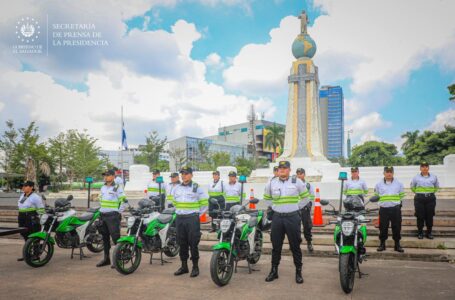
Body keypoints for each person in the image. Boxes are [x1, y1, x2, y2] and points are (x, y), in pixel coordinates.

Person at [263, 161, 310, 284]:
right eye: (280, 168)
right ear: (277, 171)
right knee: (276, 246)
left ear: (289, 170)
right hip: (277, 218)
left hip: (292, 218)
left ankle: (298, 272)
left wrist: (296, 207)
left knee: (295, 246)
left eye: (285, 168)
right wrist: (275, 207)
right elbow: (267, 199)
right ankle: (274, 271)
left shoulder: (297, 182)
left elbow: (306, 198)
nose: (282, 170)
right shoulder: (271, 183)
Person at [172, 166, 208, 278]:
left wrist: (197, 214)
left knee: (193, 243)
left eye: (186, 173)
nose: (184, 176)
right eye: (182, 173)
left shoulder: (197, 187)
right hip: (180, 218)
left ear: (191, 175)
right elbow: (174, 202)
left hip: (192, 219)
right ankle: (184, 266)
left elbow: (204, 204)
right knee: (181, 243)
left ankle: (195, 267)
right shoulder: (177, 188)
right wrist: (180, 212)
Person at [96, 169, 127, 267]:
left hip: (112, 216)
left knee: (115, 238)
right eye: (104, 175)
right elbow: (100, 199)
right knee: (104, 238)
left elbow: (123, 201)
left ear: (113, 176)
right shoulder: (103, 187)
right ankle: (106, 259)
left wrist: (118, 212)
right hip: (103, 215)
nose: (105, 177)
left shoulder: (118, 187)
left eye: (108, 175)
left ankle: (118, 259)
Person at [375, 166, 405, 253]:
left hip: (395, 209)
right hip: (384, 209)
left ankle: (397, 244)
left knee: (397, 227)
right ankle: (382, 244)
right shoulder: (378, 184)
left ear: (393, 173)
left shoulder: (399, 184)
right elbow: (376, 196)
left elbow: (401, 196)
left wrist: (397, 205)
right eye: (387, 172)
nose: (389, 174)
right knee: (383, 227)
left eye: (390, 172)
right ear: (383, 173)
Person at [411, 162, 439, 239]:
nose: (424, 168)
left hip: (430, 199)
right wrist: (419, 193)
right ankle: (420, 232)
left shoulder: (434, 177)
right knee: (420, 216)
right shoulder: (416, 177)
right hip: (419, 199)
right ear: (420, 168)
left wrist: (430, 193)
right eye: (422, 166)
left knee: (430, 216)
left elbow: (436, 186)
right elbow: (412, 187)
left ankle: (429, 232)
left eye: (426, 166)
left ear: (428, 168)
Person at [17, 181, 45, 261]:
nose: (23, 187)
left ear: (31, 187)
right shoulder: (23, 195)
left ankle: (36, 255)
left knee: (34, 236)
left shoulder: (35, 197)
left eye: (25, 186)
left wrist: (41, 220)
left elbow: (41, 209)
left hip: (31, 217)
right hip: (22, 217)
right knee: (25, 235)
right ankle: (27, 254)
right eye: (23, 186)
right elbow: (21, 206)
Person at [296, 168, 315, 252]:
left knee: (307, 226)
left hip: (305, 209)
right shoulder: (293, 185)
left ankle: (309, 243)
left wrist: (309, 204)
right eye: (298, 174)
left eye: (301, 173)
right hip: (295, 209)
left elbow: (312, 196)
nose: (299, 175)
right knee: (295, 228)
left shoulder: (308, 185)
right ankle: (295, 244)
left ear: (304, 174)